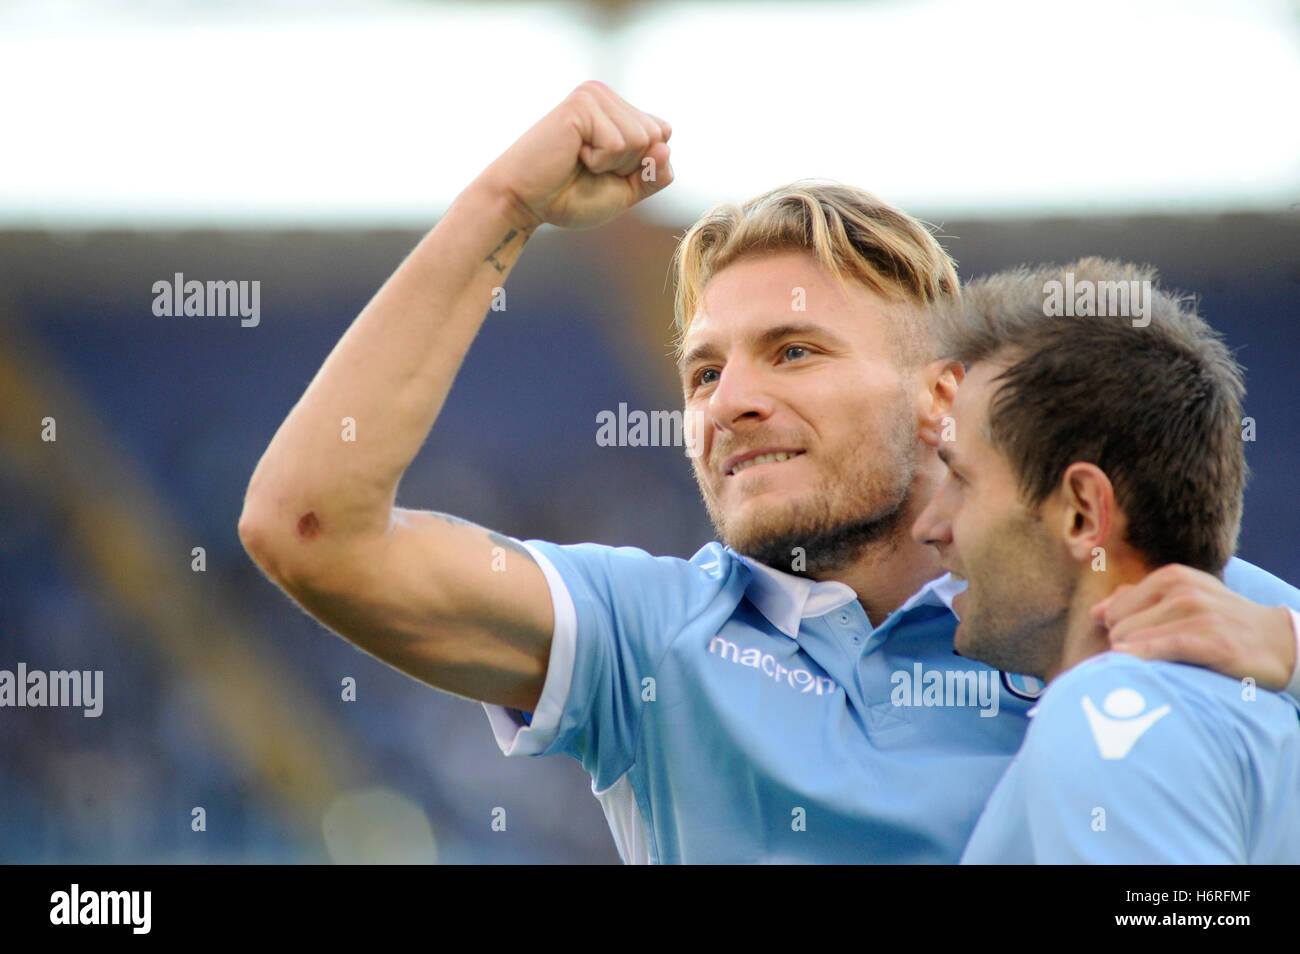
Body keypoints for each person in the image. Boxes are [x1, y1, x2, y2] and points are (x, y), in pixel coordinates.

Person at [238, 82, 1300, 862]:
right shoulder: (645, 639)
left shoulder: (1092, 584)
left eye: (794, 351)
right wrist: (502, 203)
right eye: (703, 370)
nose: (724, 401)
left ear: (941, 397)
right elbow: (309, 529)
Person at [909, 258, 1300, 863]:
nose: (928, 526)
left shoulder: (1107, 711)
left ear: (1082, 514)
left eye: (960, 478)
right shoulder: (1267, 722)